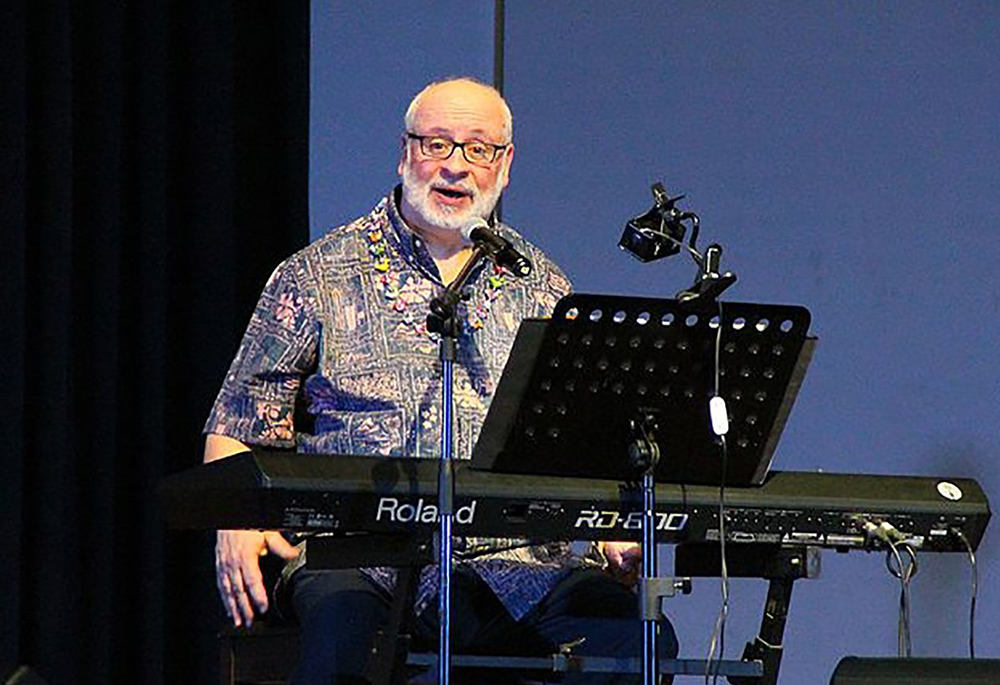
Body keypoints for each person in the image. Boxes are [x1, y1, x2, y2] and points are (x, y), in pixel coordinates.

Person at [203, 77, 678, 684]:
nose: (456, 166)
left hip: (521, 563)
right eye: (437, 145)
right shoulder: (317, 274)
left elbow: (580, 441)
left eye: (478, 149)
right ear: (405, 154)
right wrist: (234, 521)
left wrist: (610, 531)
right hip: (362, 558)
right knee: (339, 643)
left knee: (637, 640)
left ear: (504, 167)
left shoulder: (540, 285)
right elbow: (236, 423)